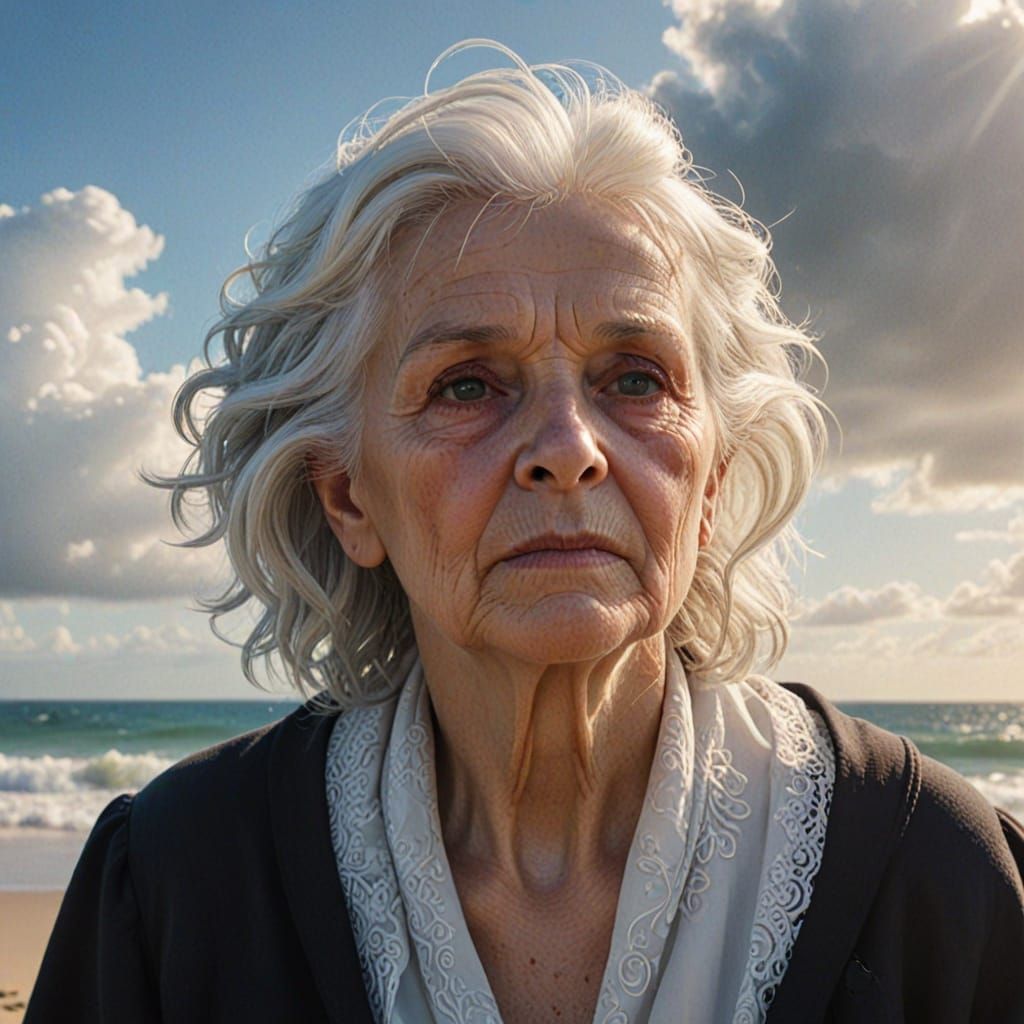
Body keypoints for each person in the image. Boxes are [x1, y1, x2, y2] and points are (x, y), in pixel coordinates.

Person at [26, 39, 1024, 1024]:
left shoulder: (935, 873)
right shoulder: (173, 883)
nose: (566, 448)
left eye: (634, 379)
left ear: (711, 482)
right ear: (345, 496)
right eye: (467, 384)